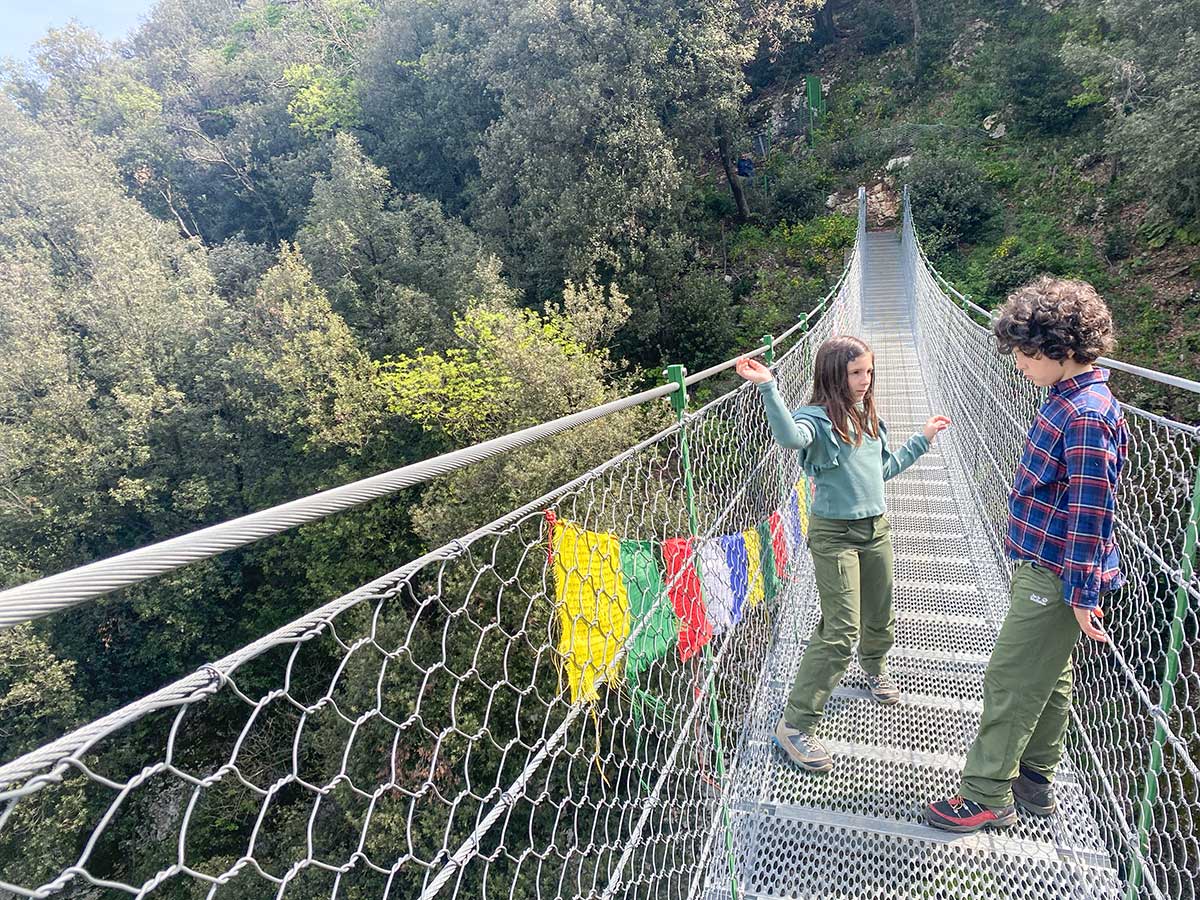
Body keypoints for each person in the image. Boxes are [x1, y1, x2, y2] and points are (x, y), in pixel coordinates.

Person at [925, 276, 1128, 832]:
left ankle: (987, 794)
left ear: (1059, 350)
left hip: (1055, 571)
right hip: (1049, 567)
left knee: (1011, 677)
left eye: (1023, 353)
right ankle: (1036, 780)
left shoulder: (1084, 413)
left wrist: (1082, 593)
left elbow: (1092, 511)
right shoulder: (1071, 398)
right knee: (1051, 673)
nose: (1017, 364)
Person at [736, 335, 951, 773]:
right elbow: (789, 436)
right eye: (856, 373)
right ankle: (795, 724)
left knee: (880, 612)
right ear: (835, 374)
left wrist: (923, 439)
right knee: (839, 629)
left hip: (876, 529)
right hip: (834, 535)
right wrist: (768, 387)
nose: (865, 381)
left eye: (869, 372)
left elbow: (883, 469)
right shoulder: (816, 420)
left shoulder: (870, 417)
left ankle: (874, 667)